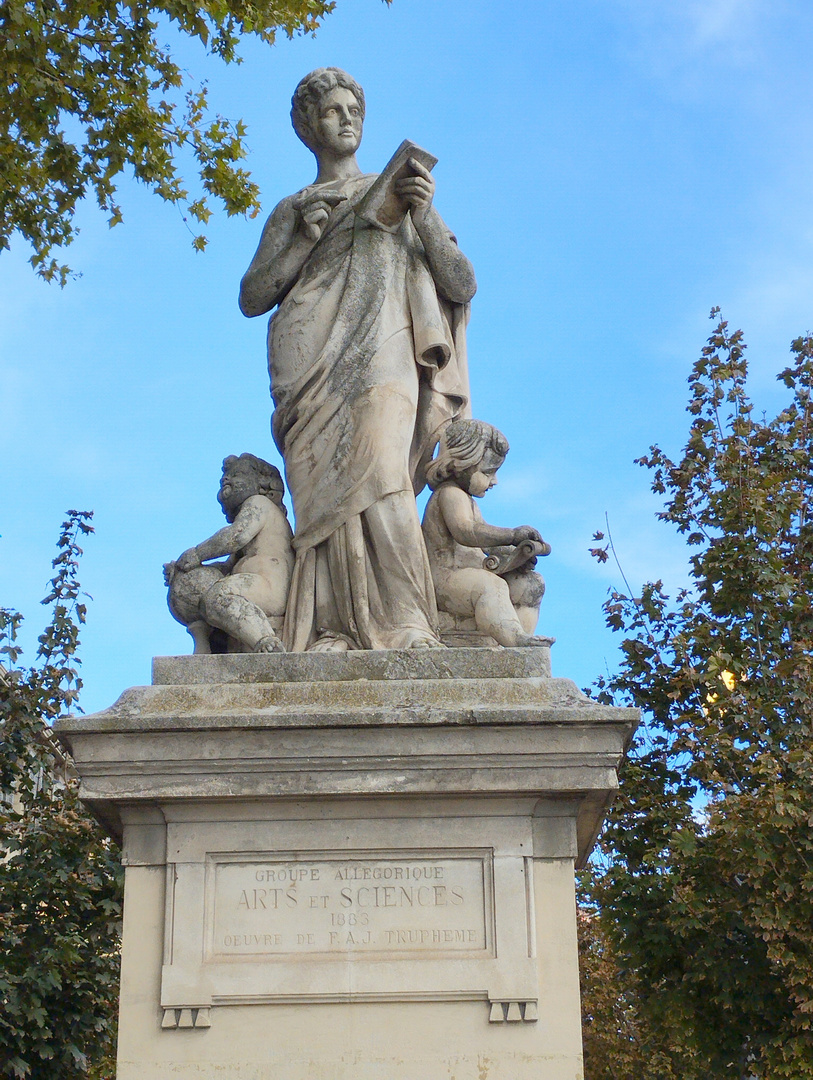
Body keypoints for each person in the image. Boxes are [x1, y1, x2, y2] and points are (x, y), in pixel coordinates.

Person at [239, 68, 476, 652]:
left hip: (384, 350)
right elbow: (252, 296)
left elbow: (462, 284)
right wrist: (301, 242)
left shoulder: (402, 191)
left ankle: (408, 622)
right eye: (332, 111)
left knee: (385, 475)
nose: (346, 119)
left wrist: (422, 214)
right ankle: (330, 626)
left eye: (354, 110)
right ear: (307, 127)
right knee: (322, 490)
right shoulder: (295, 207)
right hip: (309, 360)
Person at [422, 420, 549, 647]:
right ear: (459, 464)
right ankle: (514, 639)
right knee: (491, 585)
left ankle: (518, 640)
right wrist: (512, 535)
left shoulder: (468, 501)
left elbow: (484, 544)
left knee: (531, 584)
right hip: (445, 578)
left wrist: (517, 554)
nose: (494, 481)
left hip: (469, 574)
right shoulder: (449, 494)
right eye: (488, 472)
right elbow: (467, 532)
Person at [164, 454, 294, 653]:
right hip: (254, 585)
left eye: (237, 474)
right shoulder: (250, 524)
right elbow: (226, 567)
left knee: (217, 597)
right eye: (224, 478)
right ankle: (208, 647)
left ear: (263, 486)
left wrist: (197, 554)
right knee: (210, 596)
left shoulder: (259, 504)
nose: (227, 480)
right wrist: (185, 571)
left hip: (270, 587)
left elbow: (236, 536)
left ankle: (266, 641)